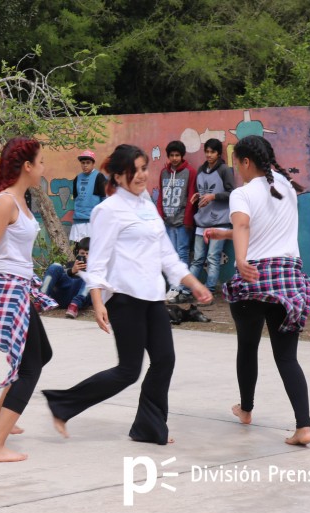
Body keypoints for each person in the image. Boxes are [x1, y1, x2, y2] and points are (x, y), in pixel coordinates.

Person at [42, 144, 211, 445]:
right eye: (136, 170)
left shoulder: (147, 207)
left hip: (152, 297)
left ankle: (149, 427)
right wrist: (97, 301)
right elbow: (98, 261)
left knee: (165, 360)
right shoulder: (107, 211)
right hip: (124, 298)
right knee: (129, 370)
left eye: (145, 168)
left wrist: (192, 283)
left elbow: (167, 256)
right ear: (119, 176)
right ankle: (62, 404)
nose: (143, 175)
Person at [205, 135, 310, 446]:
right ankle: (303, 426)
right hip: (288, 280)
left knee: (248, 347)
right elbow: (261, 229)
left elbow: (244, 227)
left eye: (236, 163)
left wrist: (239, 259)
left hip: (254, 277)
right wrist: (225, 234)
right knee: (287, 357)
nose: (236, 169)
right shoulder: (286, 187)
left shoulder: (242, 193)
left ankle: (246, 410)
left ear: (246, 161)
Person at [0, 137, 57, 463]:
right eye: (41, 161)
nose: (44, 167)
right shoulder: (5, 202)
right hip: (4, 290)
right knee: (29, 367)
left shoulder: (20, 201)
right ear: (27, 167)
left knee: (41, 354)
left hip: (20, 287)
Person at [189, 138, 234, 302]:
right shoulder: (201, 169)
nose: (209, 155)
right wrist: (198, 196)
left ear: (218, 153)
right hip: (202, 221)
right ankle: (188, 291)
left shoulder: (224, 170)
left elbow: (232, 194)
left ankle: (208, 292)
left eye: (212, 152)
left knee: (212, 258)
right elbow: (202, 191)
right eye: (206, 151)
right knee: (198, 259)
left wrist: (214, 196)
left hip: (220, 222)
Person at [156, 140, 197, 303]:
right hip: (167, 220)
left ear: (182, 156)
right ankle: (173, 286)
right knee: (170, 254)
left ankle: (183, 288)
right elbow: (160, 195)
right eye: (171, 155)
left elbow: (191, 195)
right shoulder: (163, 172)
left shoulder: (190, 172)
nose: (174, 158)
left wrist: (187, 219)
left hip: (182, 222)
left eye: (177, 155)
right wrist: (160, 216)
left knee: (182, 253)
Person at [40, 237, 92, 319]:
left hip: (79, 300)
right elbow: (61, 276)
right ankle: (40, 300)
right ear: (77, 253)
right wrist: (72, 271)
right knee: (55, 266)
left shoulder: (97, 270)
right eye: (82, 254)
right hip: (62, 296)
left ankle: (74, 306)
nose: (85, 256)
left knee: (91, 275)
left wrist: (88, 270)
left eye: (88, 253)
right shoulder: (71, 264)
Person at [69, 150, 107, 244]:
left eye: (88, 163)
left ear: (93, 163)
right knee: (77, 249)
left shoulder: (99, 177)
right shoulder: (77, 178)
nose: (85, 165)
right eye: (83, 163)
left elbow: (104, 199)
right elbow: (75, 198)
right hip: (78, 221)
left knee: (92, 249)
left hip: (93, 221)